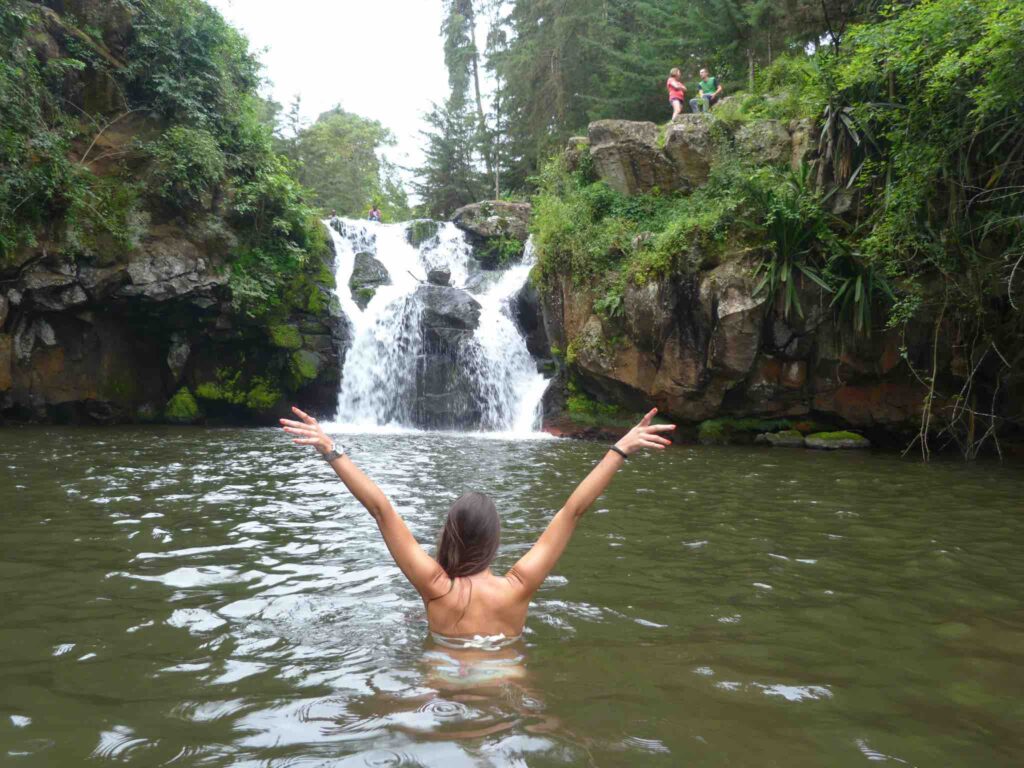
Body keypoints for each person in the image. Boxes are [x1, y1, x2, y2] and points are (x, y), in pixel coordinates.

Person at [279, 406, 675, 643]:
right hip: (506, 688)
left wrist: (330, 449)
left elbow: (381, 510)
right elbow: (572, 511)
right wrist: (620, 449)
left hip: (441, 688)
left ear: (449, 534)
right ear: (493, 540)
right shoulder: (517, 588)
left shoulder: (436, 588)